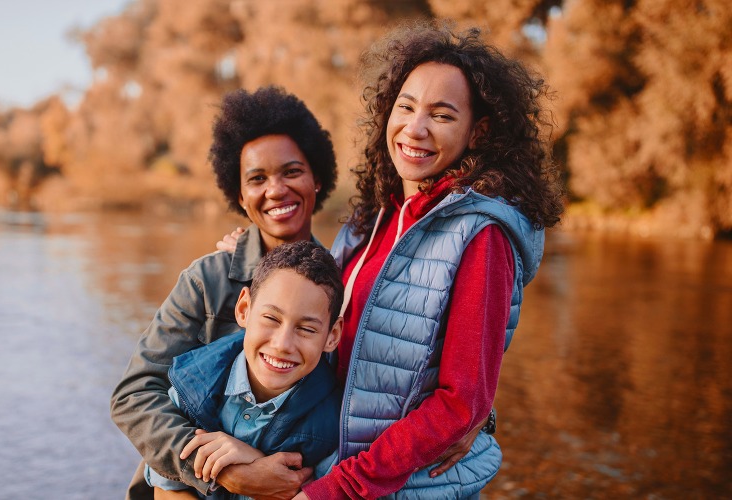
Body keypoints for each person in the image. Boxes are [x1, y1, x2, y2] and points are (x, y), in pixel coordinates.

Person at [285, 21, 564, 499]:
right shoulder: (374, 217)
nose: (415, 128)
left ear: (478, 132)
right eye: (406, 107)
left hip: (403, 486)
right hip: (336, 464)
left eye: (442, 115)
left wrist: (338, 490)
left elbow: (460, 402)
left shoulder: (482, 235)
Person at [110, 86, 338, 500]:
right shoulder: (206, 281)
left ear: (317, 179)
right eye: (257, 179)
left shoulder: (341, 286)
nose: (276, 190)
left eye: (291, 171)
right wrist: (227, 470)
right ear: (240, 196)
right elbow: (135, 394)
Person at [158, 241, 345, 499]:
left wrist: (253, 459)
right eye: (271, 319)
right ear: (244, 309)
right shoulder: (193, 384)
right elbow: (165, 488)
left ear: (332, 336)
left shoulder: (332, 428)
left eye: (307, 329)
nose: (282, 345)